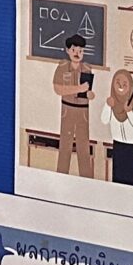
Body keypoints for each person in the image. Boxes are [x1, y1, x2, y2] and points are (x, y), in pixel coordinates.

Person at [52, 36, 97, 178]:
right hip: (68, 110)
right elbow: (58, 89)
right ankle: (61, 177)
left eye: (81, 51)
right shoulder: (62, 67)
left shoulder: (87, 69)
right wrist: (78, 89)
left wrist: (90, 94)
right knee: (65, 145)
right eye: (74, 50)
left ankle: (86, 179)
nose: (77, 54)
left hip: (83, 112)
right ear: (67, 50)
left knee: (84, 147)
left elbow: (88, 91)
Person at [102, 70, 133, 186]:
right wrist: (108, 106)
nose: (121, 86)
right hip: (118, 146)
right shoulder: (112, 103)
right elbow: (104, 120)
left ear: (130, 86)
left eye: (124, 84)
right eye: (117, 83)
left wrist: (130, 112)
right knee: (119, 178)